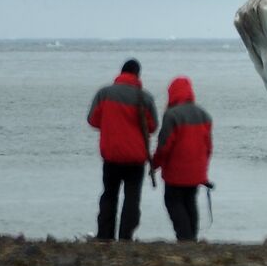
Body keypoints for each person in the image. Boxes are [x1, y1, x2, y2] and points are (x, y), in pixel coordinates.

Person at [87, 59, 158, 241]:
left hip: (111, 156)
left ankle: (105, 235)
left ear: (121, 72)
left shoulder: (104, 94)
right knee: (132, 199)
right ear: (138, 75)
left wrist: (111, 124)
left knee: (109, 196)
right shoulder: (145, 98)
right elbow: (152, 126)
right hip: (136, 158)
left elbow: (93, 120)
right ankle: (126, 237)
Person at [151, 76, 213, 242]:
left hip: (175, 172)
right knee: (190, 202)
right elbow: (208, 148)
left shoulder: (172, 115)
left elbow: (164, 145)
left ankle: (185, 238)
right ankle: (191, 237)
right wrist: (202, 170)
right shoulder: (204, 115)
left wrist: (154, 164)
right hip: (196, 172)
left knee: (173, 202)